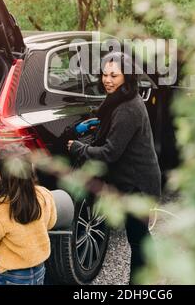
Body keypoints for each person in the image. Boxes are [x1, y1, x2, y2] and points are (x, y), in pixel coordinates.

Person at [67, 51, 161, 285]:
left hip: (138, 185)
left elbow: (110, 153)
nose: (107, 80)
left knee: (138, 239)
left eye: (114, 76)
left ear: (127, 78)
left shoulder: (128, 108)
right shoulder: (122, 100)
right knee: (139, 237)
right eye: (104, 74)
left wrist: (79, 148)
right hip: (133, 181)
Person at [0, 144, 57, 285]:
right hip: (39, 270)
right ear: (31, 169)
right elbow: (51, 222)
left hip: (12, 276)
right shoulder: (44, 195)